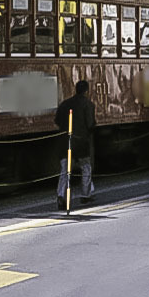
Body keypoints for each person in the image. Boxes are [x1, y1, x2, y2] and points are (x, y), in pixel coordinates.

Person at [55, 79, 97, 208]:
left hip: (65, 141)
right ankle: (86, 194)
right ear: (86, 91)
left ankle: (61, 195)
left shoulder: (64, 104)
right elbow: (90, 124)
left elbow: (56, 120)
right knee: (86, 167)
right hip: (81, 142)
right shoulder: (88, 104)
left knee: (65, 170)